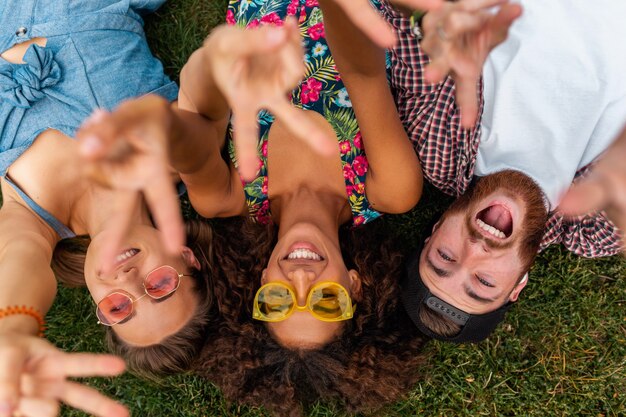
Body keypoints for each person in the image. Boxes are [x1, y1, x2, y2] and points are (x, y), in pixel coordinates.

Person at [77, 0, 429, 414]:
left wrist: (172, 128)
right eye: (326, 300)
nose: (300, 278)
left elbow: (196, 110)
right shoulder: (387, 189)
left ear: (261, 282)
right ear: (355, 285)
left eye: (278, 300)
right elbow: (363, 73)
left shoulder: (226, 197)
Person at [0, 2, 217, 416]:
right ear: (187, 257)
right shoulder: (175, 158)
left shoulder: (34, 221)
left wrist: (14, 327)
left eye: (119, 308)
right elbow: (206, 80)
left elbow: (19, 259)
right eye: (159, 287)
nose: (129, 281)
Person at [383, 0, 626, 342]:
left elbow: (397, 15)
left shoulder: (437, 147)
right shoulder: (597, 228)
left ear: (436, 230)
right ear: (518, 285)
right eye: (483, 282)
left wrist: (432, 16)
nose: (474, 249)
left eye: (445, 256)